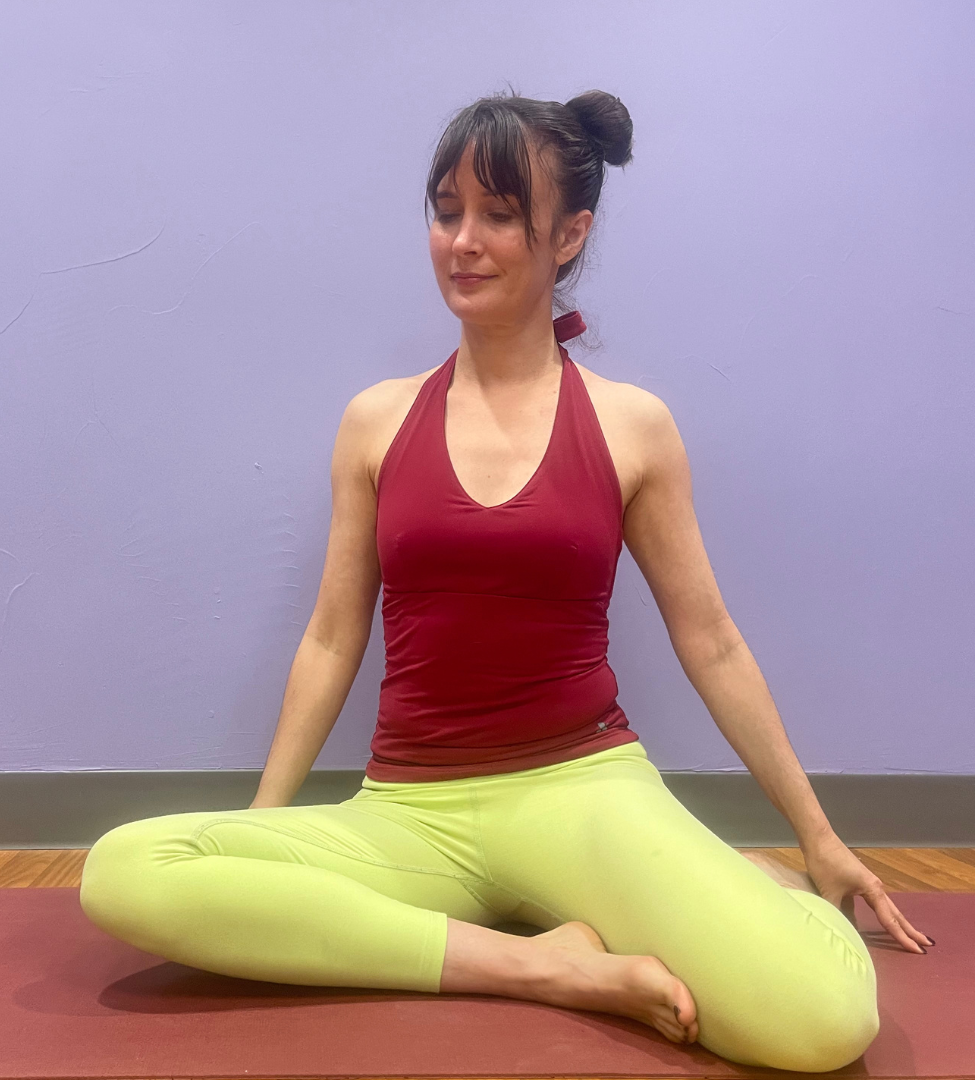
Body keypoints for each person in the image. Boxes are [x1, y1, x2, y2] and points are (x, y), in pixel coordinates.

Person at [81, 90, 931, 1073]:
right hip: (409, 811)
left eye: (497, 215)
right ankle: (548, 963)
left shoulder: (631, 426)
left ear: (569, 233)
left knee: (825, 1020)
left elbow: (711, 639)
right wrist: (262, 836)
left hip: (580, 792)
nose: (463, 242)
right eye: (446, 212)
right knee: (125, 871)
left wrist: (817, 838)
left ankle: (740, 886)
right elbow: (329, 637)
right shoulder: (374, 421)